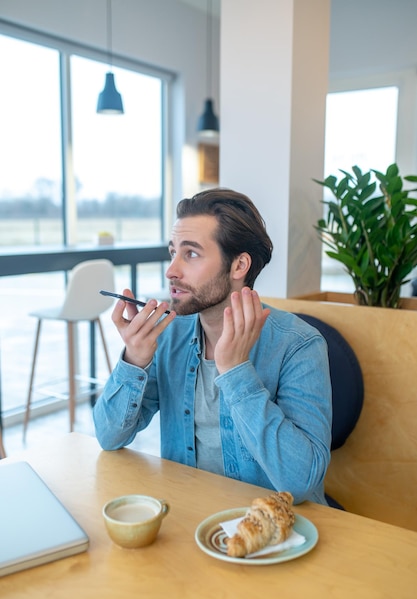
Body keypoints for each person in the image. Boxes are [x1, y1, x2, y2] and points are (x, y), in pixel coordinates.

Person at [93, 188, 332, 505]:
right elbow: (109, 437)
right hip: (190, 519)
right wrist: (134, 361)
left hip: (273, 534)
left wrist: (235, 372)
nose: (171, 270)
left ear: (239, 266)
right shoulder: (168, 334)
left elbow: (300, 482)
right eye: (172, 252)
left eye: (190, 254)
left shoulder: (299, 345)